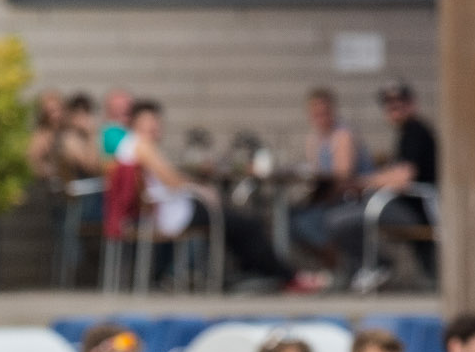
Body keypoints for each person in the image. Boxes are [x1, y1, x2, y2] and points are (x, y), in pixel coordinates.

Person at [113, 100, 323, 292]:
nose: (156, 126)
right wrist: (199, 188)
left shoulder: (129, 146)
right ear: (137, 122)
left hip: (161, 212)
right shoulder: (142, 145)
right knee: (247, 224)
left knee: (236, 223)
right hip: (172, 213)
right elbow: (171, 180)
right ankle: (285, 276)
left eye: (157, 121)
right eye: (151, 121)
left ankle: (261, 272)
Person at [328, 81, 438, 290]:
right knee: (342, 214)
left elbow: (403, 177)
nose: (394, 109)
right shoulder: (407, 133)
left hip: (415, 210)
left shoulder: (415, 131)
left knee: (339, 220)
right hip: (401, 206)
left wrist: (363, 182)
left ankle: (377, 266)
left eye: (400, 104)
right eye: (389, 105)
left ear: (412, 104)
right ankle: (370, 267)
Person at [287, 87, 361, 267]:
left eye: (325, 113)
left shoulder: (342, 136)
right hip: (327, 198)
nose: (321, 118)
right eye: (316, 114)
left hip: (350, 198)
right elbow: (317, 175)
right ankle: (335, 267)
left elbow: (342, 176)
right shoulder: (315, 139)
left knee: (306, 221)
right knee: (288, 218)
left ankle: (341, 267)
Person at [98, 88, 134, 158]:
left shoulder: (128, 131)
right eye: (118, 107)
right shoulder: (112, 133)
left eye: (127, 106)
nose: (124, 110)